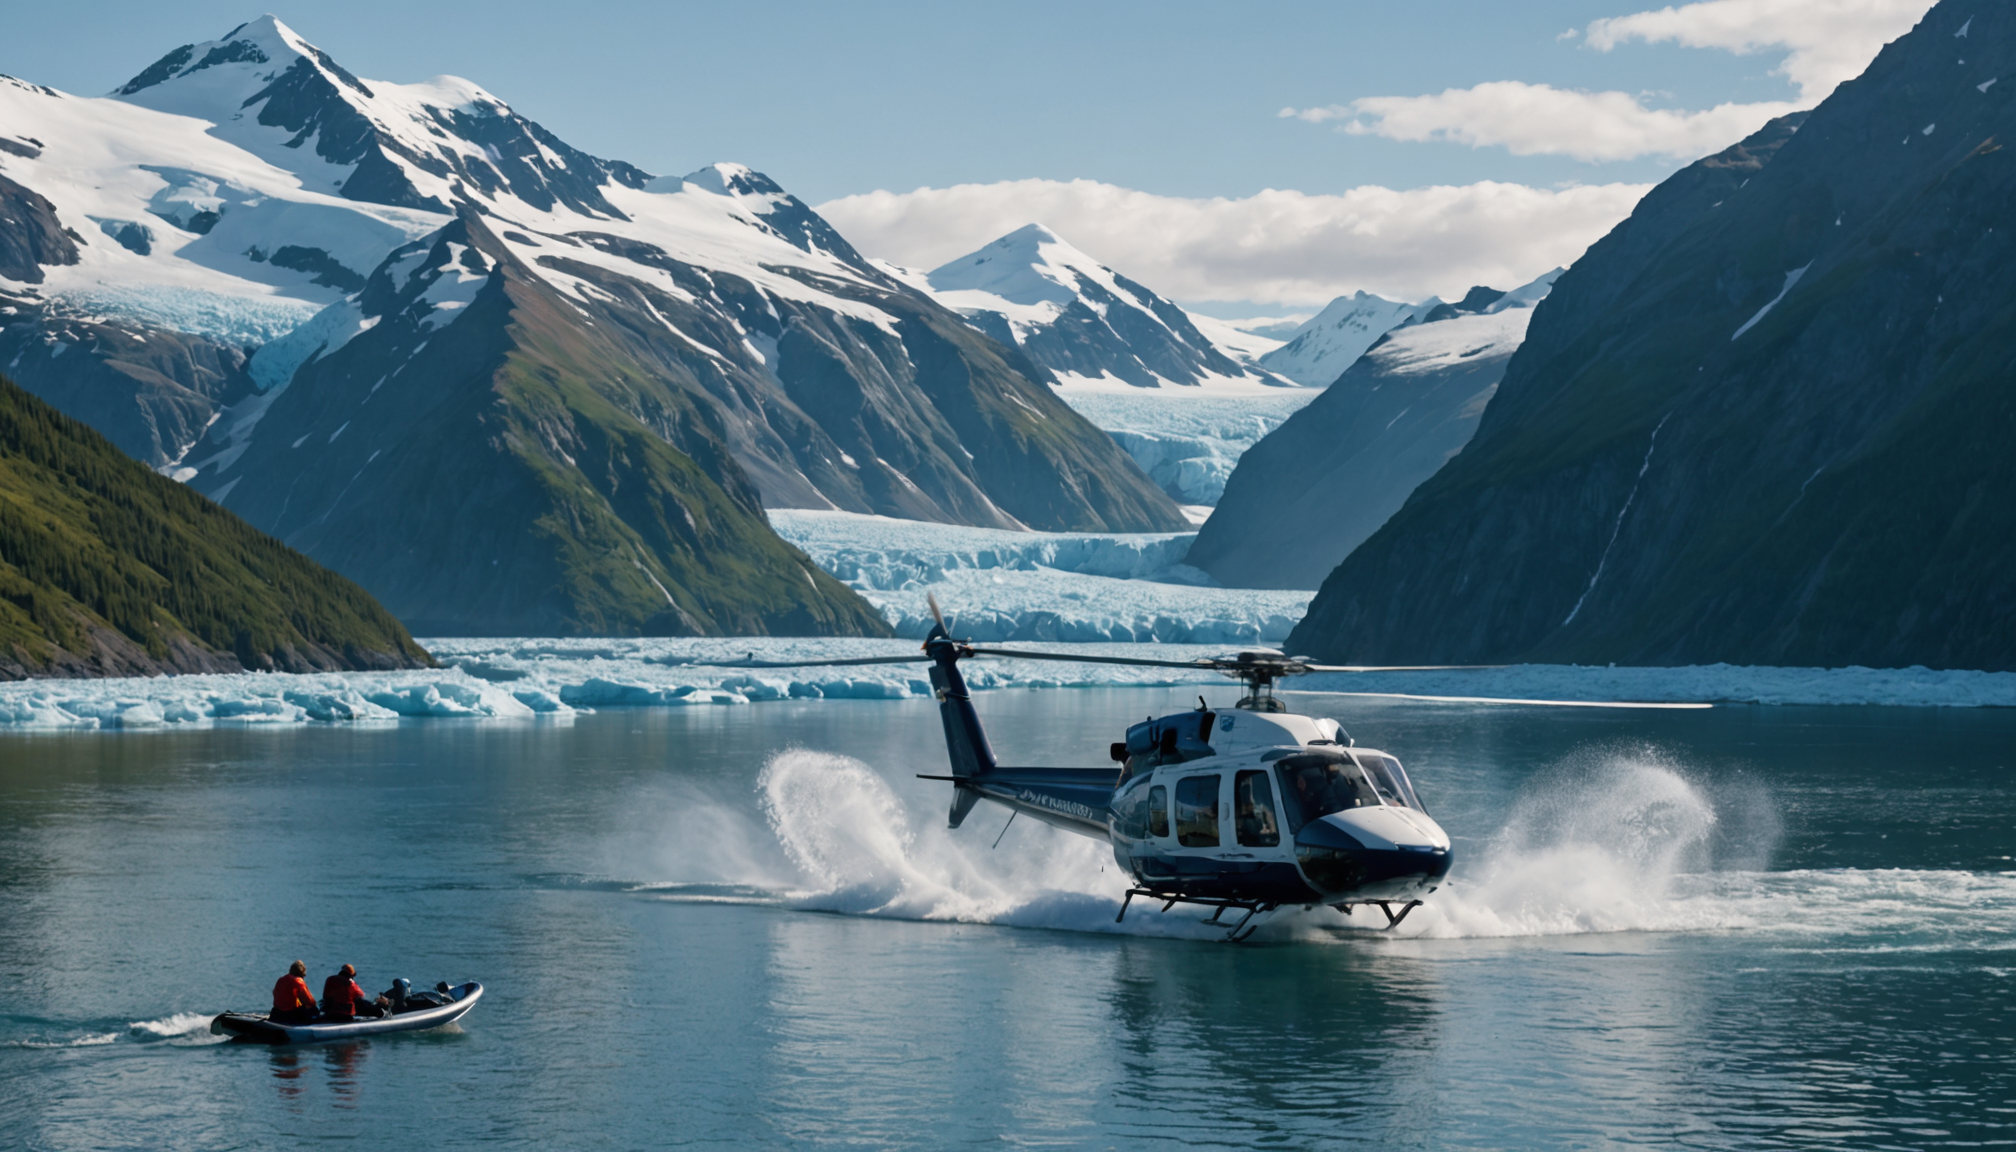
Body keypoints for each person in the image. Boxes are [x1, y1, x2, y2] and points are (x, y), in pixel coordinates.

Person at [320, 964, 385, 1021]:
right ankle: (382, 1012)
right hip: (346, 1015)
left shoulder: (330, 979)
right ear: (351, 975)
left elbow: (325, 995)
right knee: (363, 1003)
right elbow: (361, 995)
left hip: (330, 1013)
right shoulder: (351, 983)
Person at [270, 960, 318, 1025]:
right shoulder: (298, 981)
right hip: (290, 1014)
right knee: (314, 1010)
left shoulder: (281, 979)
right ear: (302, 973)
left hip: (277, 1012)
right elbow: (309, 1001)